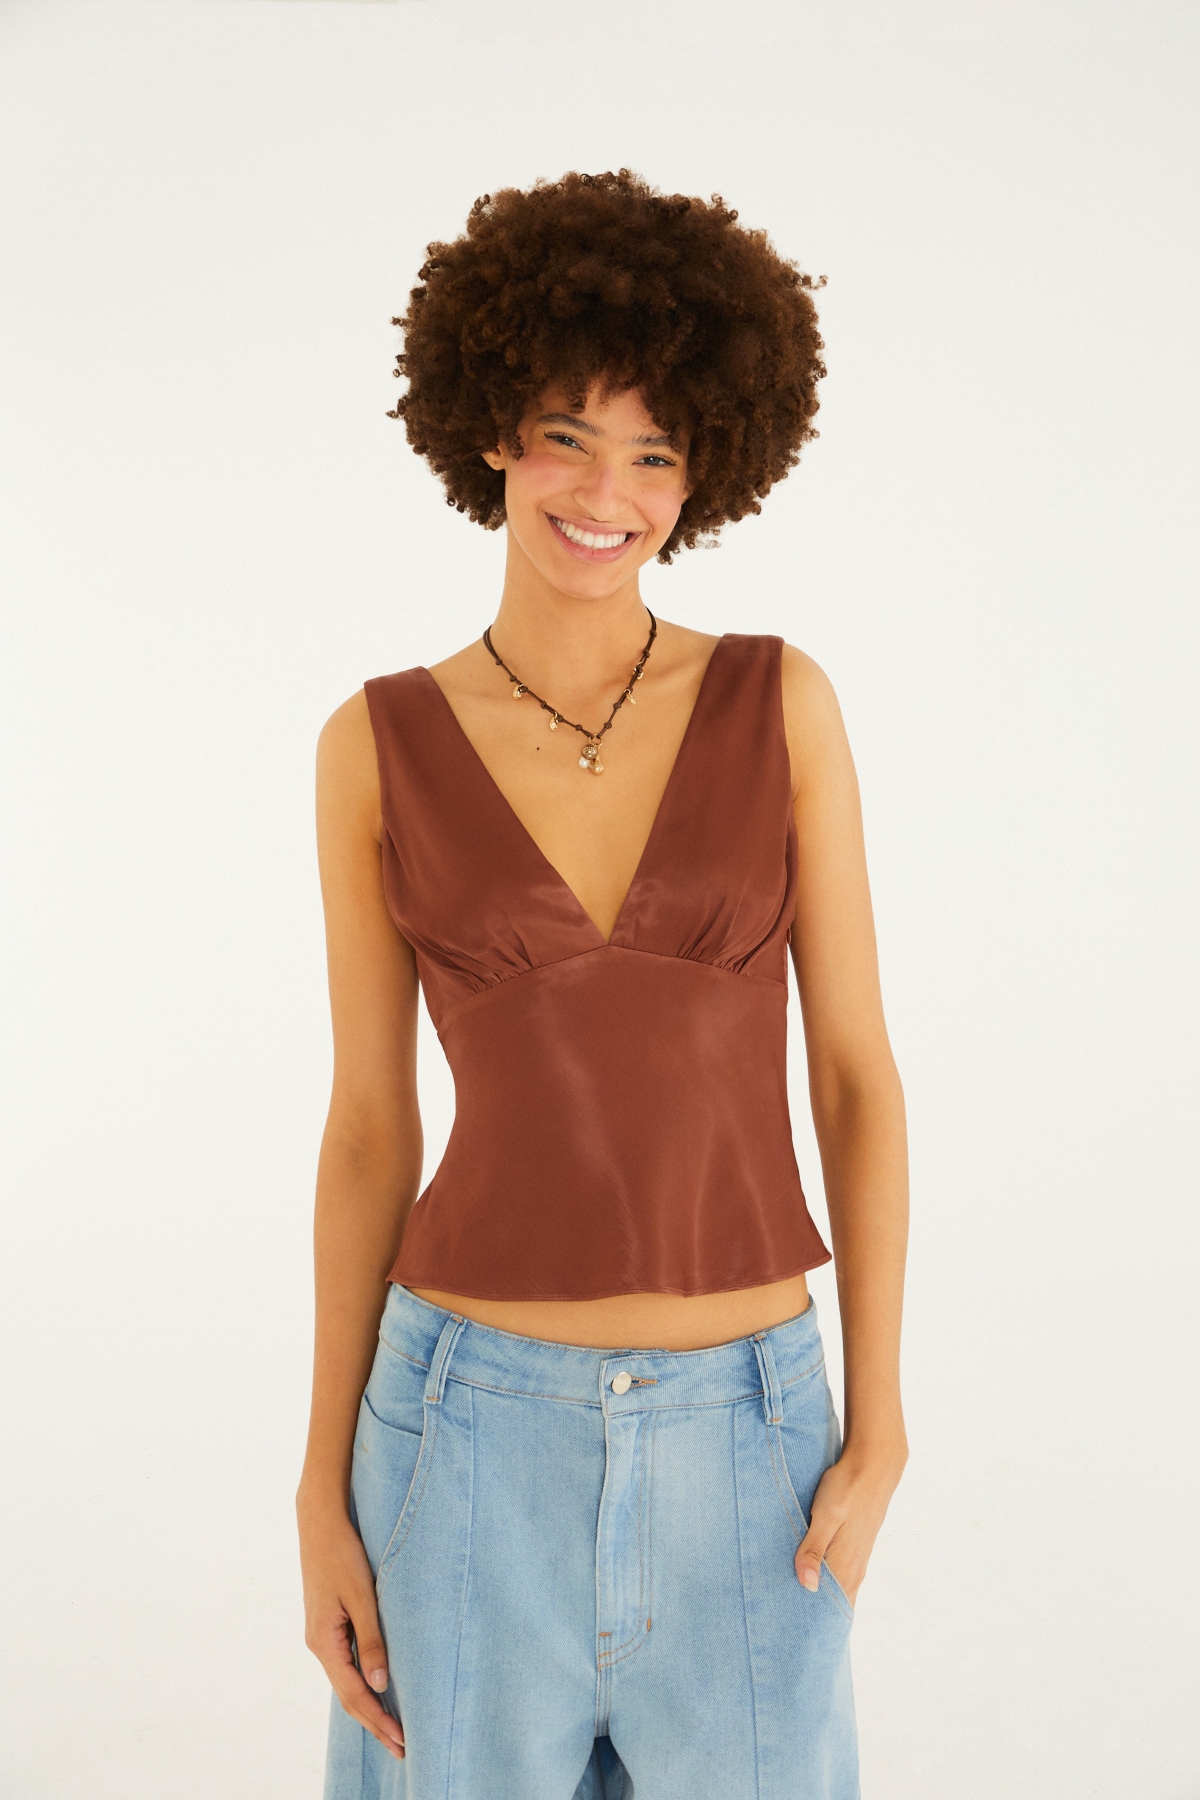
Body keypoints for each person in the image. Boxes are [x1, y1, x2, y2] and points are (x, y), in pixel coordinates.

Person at [298, 169, 909, 1800]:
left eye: (655, 452)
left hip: (752, 1439)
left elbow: (855, 1075)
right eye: (568, 434)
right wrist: (319, 1489)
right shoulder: (374, 744)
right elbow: (368, 1128)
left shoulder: (783, 703)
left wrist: (882, 1416)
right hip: (461, 1431)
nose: (606, 491)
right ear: (492, 428)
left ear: (708, 469)